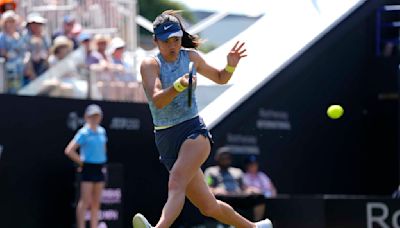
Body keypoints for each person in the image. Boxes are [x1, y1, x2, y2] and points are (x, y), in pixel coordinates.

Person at [132, 10, 272, 228]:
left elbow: (220, 77)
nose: (172, 45)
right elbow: (158, 100)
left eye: (176, 39)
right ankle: (255, 227)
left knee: (176, 181)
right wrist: (180, 85)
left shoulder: (191, 57)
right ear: (155, 41)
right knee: (209, 207)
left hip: (193, 131)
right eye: (166, 40)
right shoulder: (150, 65)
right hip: (165, 138)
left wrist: (231, 64)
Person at [65, 104, 108, 228]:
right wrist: (83, 163)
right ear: (86, 117)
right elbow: (69, 150)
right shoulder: (83, 132)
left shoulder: (102, 131)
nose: (95, 118)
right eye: (92, 116)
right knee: (85, 202)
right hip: (88, 169)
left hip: (99, 168)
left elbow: (103, 150)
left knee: (96, 203)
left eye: (97, 116)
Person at [205, 148, 267, 222]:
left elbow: (244, 187)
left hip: (238, 196)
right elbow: (207, 187)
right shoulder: (211, 171)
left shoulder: (237, 171)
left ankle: (257, 223)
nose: (225, 160)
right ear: (217, 158)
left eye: (227, 158)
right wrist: (215, 190)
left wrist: (251, 190)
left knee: (259, 197)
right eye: (223, 158)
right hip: (221, 198)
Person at [0, 10, 25, 93]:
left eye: (12, 21)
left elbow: (23, 51)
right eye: (8, 22)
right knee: (12, 91)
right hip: (8, 70)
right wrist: (10, 54)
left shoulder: (18, 36)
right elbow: (3, 52)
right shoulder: (2, 37)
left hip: (19, 68)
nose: (11, 24)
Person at [22, 12, 50, 84]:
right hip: (30, 66)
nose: (36, 26)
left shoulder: (44, 36)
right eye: (33, 24)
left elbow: (48, 50)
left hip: (43, 65)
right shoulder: (25, 36)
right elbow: (26, 54)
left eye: (38, 24)